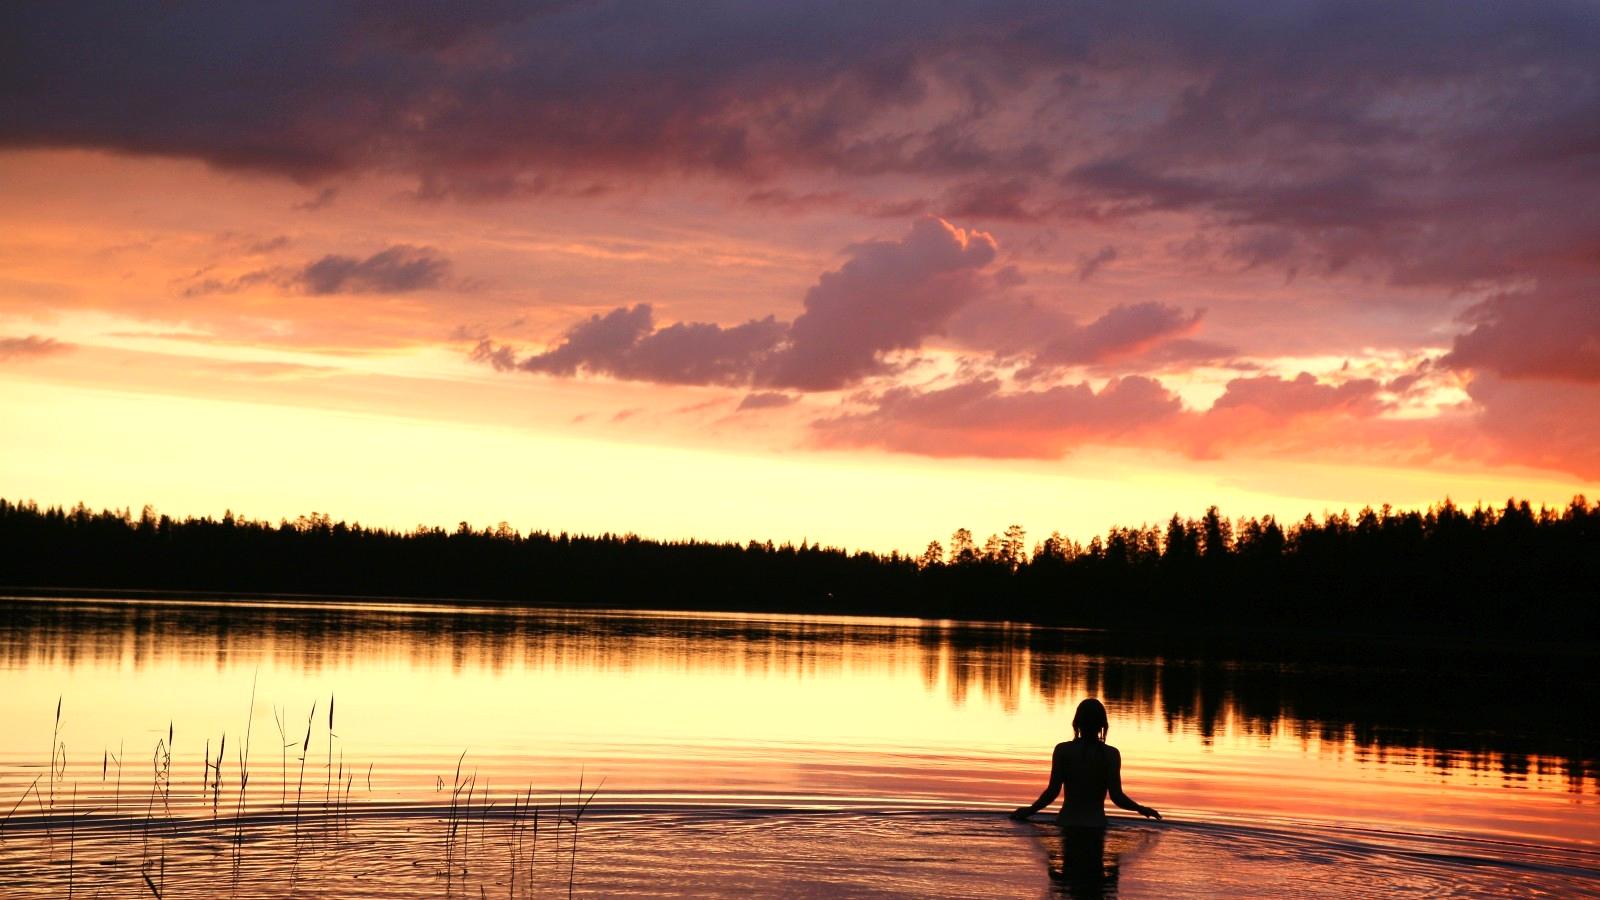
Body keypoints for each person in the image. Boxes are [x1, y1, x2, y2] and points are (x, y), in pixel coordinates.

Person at [1009, 698, 1161, 826]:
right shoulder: (1111, 755)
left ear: (1077, 723)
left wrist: (1029, 811)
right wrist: (1141, 809)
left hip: (1067, 823)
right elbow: (1117, 797)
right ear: (1102, 725)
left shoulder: (1063, 750)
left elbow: (1052, 792)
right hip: (1096, 825)